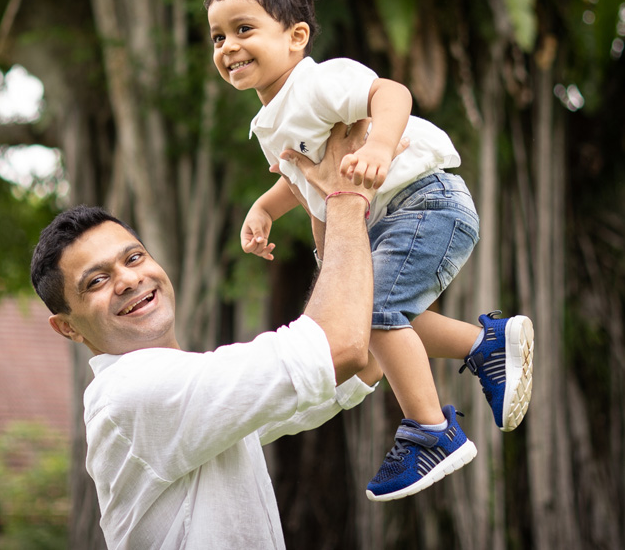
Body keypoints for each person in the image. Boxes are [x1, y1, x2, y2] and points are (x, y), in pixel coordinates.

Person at [205, 0, 535, 501]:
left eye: (244, 30)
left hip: (425, 200)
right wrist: (265, 208)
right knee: (373, 314)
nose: (228, 47)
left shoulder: (316, 83)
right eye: (218, 37)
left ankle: (432, 431)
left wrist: (379, 147)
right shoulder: (271, 121)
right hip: (392, 214)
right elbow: (308, 179)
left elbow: (392, 93)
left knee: (378, 312)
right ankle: (485, 343)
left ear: (296, 37)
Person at [30, 122, 386, 549]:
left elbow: (358, 359)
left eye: (134, 257)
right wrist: (344, 195)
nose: (127, 279)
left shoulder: (196, 403)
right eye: (96, 281)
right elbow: (340, 348)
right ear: (67, 326)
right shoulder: (133, 392)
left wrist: (323, 213)